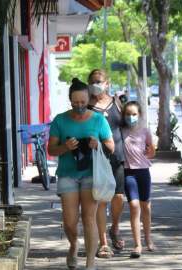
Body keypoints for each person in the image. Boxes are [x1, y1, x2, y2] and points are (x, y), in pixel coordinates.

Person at [48, 78, 115, 270]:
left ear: (88, 100)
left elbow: (111, 146)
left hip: (91, 174)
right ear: (70, 100)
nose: (79, 106)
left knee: (88, 218)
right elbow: (51, 150)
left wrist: (98, 144)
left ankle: (90, 262)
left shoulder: (98, 119)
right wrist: (65, 147)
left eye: (83, 102)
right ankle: (73, 245)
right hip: (68, 174)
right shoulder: (60, 120)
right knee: (69, 221)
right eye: (76, 102)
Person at [87, 69, 126, 258]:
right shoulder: (86, 105)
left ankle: (115, 227)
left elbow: (129, 125)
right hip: (96, 159)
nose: (96, 84)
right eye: (92, 81)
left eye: (99, 81)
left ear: (107, 83)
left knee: (119, 197)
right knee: (101, 199)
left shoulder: (117, 102)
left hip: (117, 156)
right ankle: (103, 243)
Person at [121, 101, 156, 258]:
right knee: (134, 206)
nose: (131, 117)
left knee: (146, 207)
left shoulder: (145, 131)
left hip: (143, 172)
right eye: (128, 114)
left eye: (134, 114)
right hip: (128, 173)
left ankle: (148, 238)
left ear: (139, 115)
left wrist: (148, 152)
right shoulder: (121, 131)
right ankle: (137, 245)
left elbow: (152, 151)